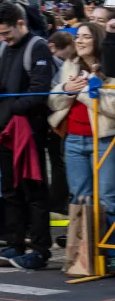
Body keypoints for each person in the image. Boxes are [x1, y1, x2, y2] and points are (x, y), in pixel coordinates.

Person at [0, 2, 53, 270]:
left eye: (7, 34)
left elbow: (39, 90)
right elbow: (4, 82)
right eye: (0, 35)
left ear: (21, 24)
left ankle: (39, 248)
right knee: (10, 189)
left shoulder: (37, 47)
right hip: (6, 129)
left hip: (29, 128)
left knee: (34, 189)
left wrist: (10, 107)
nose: (3, 39)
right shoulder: (4, 48)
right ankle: (15, 243)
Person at [48, 22, 115, 264]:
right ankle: (85, 257)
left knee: (107, 198)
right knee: (80, 198)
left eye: (86, 36)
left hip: (105, 139)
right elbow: (52, 102)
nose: (80, 41)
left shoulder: (110, 66)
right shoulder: (69, 65)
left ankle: (111, 254)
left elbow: (113, 106)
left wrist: (85, 92)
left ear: (97, 39)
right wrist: (66, 89)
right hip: (73, 141)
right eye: (78, 37)